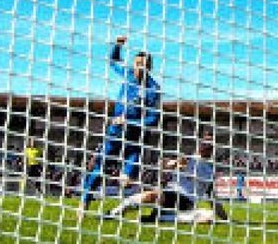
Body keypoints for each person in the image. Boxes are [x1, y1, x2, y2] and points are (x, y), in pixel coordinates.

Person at [79, 36, 161, 216]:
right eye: (136, 63)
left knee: (127, 177)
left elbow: (153, 119)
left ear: (149, 67)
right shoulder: (128, 75)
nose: (137, 67)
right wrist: (118, 45)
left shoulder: (153, 89)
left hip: (134, 136)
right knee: (99, 168)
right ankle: (84, 202)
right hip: (115, 133)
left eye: (142, 64)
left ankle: (126, 186)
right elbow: (113, 61)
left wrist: (129, 121)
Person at [105, 135, 225, 224]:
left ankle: (159, 217)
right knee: (153, 196)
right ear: (199, 146)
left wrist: (225, 218)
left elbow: (213, 198)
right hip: (170, 195)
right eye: (204, 144)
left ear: (212, 149)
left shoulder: (209, 172)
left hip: (185, 200)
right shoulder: (188, 159)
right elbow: (164, 163)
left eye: (209, 146)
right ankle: (116, 212)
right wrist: (172, 163)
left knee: (153, 196)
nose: (206, 147)